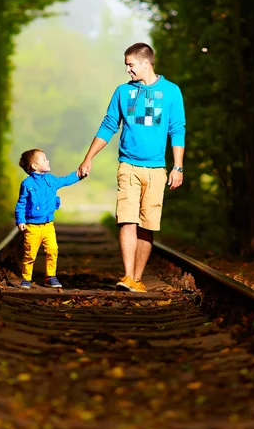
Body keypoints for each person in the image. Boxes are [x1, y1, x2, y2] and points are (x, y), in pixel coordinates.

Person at [78, 42, 185, 294]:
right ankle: (127, 276)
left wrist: (177, 167)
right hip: (128, 165)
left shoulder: (171, 92)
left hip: (157, 169)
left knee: (147, 225)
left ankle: (137, 278)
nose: (128, 70)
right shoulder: (123, 92)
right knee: (127, 220)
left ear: (145, 63)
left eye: (130, 65)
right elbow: (108, 126)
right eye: (126, 65)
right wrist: (88, 157)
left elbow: (177, 129)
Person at [15, 148, 85, 289]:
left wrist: (79, 175)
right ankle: (26, 279)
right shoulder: (27, 184)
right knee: (30, 254)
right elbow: (21, 203)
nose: (48, 161)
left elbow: (65, 180)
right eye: (44, 159)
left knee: (52, 250)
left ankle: (50, 276)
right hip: (32, 227)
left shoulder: (51, 180)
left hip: (48, 226)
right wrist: (20, 220)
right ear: (34, 166)